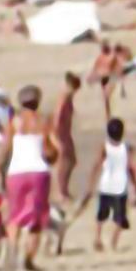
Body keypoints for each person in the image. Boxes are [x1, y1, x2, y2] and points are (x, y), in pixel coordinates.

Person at [1, 85, 56, 271]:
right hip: (39, 171)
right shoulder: (43, 121)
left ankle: (12, 250)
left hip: (16, 171)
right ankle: (28, 259)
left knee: (15, 214)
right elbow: (50, 149)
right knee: (37, 217)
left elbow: (4, 148)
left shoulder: (14, 122)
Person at [88, 118, 135, 252]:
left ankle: (97, 238)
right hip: (120, 186)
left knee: (101, 215)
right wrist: (135, 182)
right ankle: (113, 242)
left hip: (106, 185)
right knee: (120, 218)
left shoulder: (104, 147)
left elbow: (97, 165)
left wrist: (92, 181)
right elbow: (129, 167)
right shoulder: (126, 148)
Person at [52, 72, 82, 203]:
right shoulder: (64, 97)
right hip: (61, 134)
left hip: (66, 134)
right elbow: (57, 118)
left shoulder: (68, 97)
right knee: (63, 162)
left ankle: (64, 190)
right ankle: (60, 192)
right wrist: (56, 138)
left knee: (71, 161)